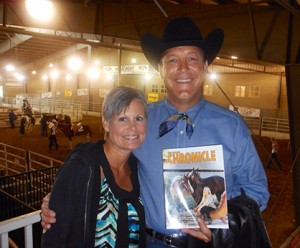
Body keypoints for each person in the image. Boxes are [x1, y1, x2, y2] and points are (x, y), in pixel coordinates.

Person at [41, 17, 269, 247]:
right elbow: (109, 162)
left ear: (205, 66)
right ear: (160, 69)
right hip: (150, 242)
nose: (183, 68)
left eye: (192, 58)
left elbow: (257, 190)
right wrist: (62, 199)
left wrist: (226, 222)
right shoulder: (140, 122)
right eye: (172, 60)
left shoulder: (231, 126)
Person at [41, 86, 148, 247]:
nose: (132, 127)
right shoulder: (82, 167)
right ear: (106, 123)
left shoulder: (138, 167)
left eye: (139, 118)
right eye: (122, 119)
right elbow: (54, 238)